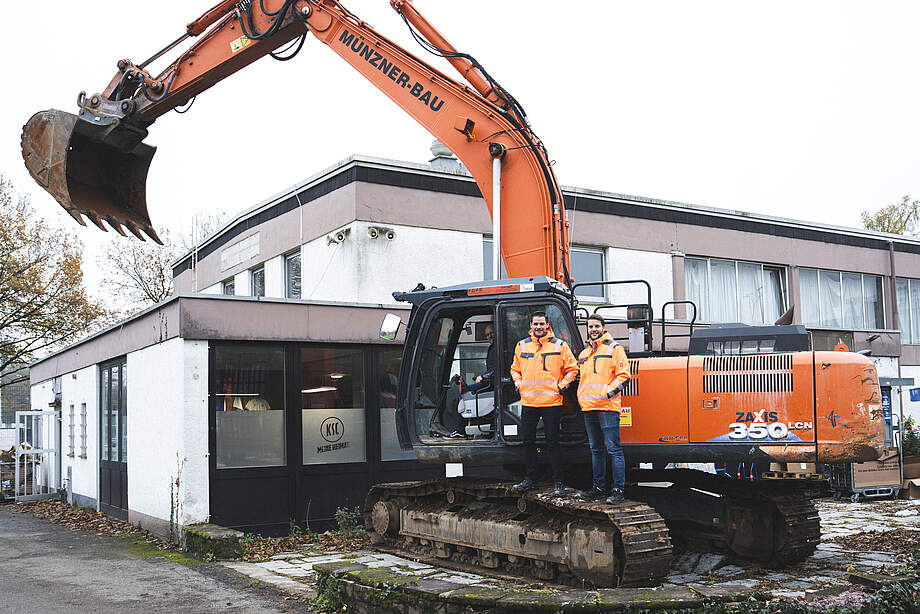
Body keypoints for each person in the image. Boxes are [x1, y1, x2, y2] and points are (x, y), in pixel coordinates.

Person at [510, 311, 578, 497]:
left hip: (551, 402)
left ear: (547, 325)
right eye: (536, 324)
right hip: (529, 402)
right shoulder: (522, 345)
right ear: (530, 326)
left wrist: (562, 386)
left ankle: (559, 482)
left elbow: (572, 368)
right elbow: (515, 369)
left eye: (542, 324)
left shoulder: (559, 345)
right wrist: (519, 385)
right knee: (528, 441)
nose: (539, 327)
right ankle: (531, 479)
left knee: (553, 442)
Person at [575, 314, 630, 504]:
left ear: (603, 327)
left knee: (614, 450)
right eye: (590, 326)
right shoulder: (584, 354)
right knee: (596, 450)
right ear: (587, 329)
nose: (593, 329)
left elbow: (624, 376)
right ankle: (598, 488)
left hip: (607, 407)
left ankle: (617, 491)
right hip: (589, 408)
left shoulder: (614, 349)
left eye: (596, 326)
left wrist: (607, 393)